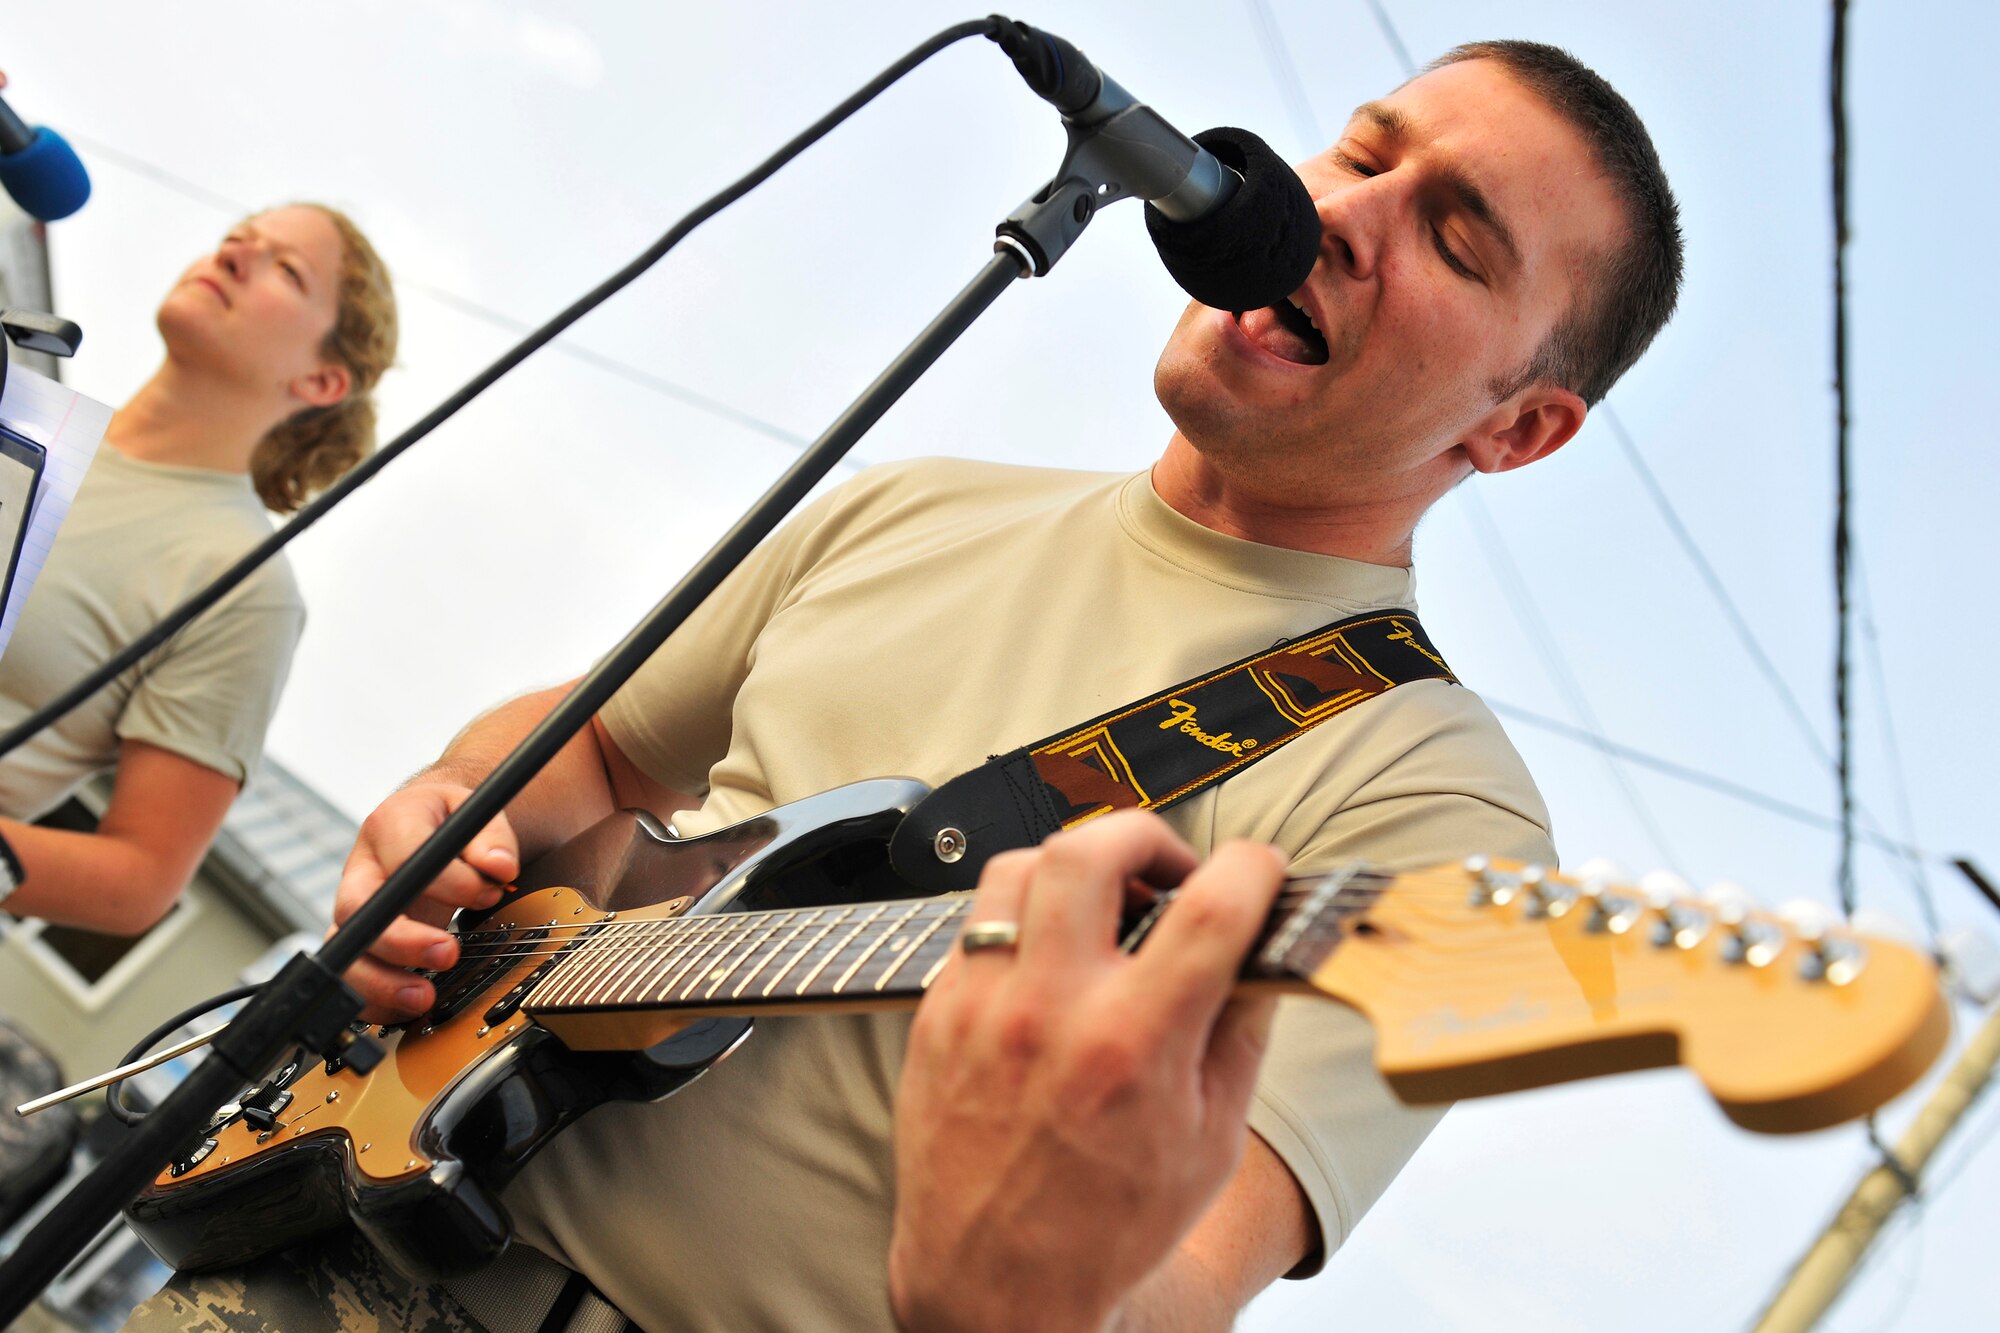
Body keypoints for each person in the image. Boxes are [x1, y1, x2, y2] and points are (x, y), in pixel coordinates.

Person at [127, 37, 1681, 1333]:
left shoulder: (1435, 802)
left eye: (1455, 238)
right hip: (311, 1254)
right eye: (1360, 155)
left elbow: (1184, 1281)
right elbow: (591, 752)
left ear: (1519, 429)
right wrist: (444, 818)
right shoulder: (923, 503)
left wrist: (1009, 1296)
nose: (1347, 213)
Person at [0, 203, 397, 934]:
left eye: (285, 267)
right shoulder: (21, 408)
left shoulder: (242, 588)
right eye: (235, 238)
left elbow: (138, 879)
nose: (236, 255)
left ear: (322, 380)